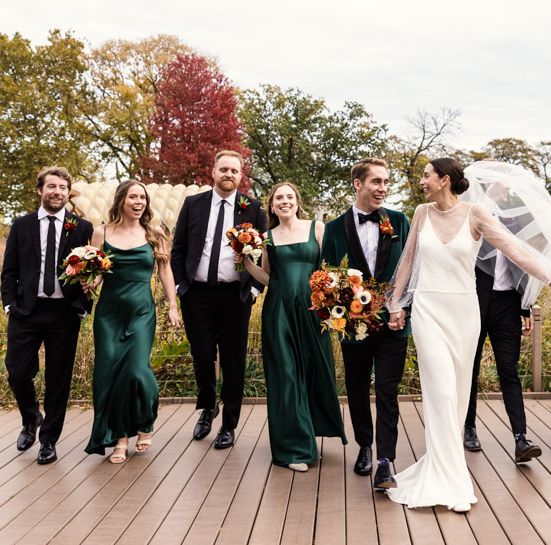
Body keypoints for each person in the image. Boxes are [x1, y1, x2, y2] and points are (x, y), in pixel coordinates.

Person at [385, 158, 551, 513]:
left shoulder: (476, 214)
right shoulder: (420, 213)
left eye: (426, 176)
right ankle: (451, 480)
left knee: (458, 397)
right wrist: (396, 304)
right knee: (441, 391)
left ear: (445, 180)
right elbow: (408, 259)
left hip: (464, 312)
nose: (422, 181)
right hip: (428, 309)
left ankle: (440, 465)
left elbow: (515, 249)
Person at [241, 182, 347, 471]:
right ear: (272, 206)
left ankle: (307, 431)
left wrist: (330, 303)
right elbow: (268, 277)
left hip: (312, 312)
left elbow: (330, 271)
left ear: (297, 202)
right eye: (279, 199)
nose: (284, 202)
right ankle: (294, 450)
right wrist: (247, 263)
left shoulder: (318, 229)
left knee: (314, 370)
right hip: (279, 313)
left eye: (289, 197)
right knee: (286, 375)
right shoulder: (268, 237)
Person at [320, 158, 411, 488]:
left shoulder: (400, 221)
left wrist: (402, 307)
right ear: (357, 184)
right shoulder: (332, 228)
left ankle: (385, 462)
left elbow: (412, 269)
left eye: (386, 182)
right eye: (375, 181)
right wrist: (344, 309)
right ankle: (365, 446)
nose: (382, 188)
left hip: (394, 323)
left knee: (387, 390)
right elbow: (326, 275)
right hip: (353, 325)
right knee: (357, 388)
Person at [171, 151, 268, 449]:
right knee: (202, 356)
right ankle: (207, 406)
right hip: (196, 294)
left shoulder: (252, 208)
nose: (228, 174)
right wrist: (180, 285)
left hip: (234, 296)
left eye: (234, 171)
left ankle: (229, 423)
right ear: (213, 172)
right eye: (223, 169)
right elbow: (179, 247)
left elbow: (264, 253)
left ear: (241, 176)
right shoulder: (193, 204)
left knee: (233, 360)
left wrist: (253, 290)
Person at [1, 167, 94, 464]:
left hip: (64, 312)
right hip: (25, 311)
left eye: (63, 187)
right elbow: (9, 270)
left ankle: (48, 440)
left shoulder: (82, 227)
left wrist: (82, 303)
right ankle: (31, 418)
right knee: (17, 371)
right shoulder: (21, 225)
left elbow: (94, 269)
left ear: (68, 193)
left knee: (58, 379)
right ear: (39, 190)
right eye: (51, 186)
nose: (57, 192)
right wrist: (9, 304)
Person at [83, 180, 181, 462]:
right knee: (110, 376)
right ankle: (120, 439)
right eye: (132, 197)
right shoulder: (101, 232)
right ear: (121, 200)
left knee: (137, 371)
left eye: (142, 197)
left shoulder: (155, 233)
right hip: (109, 315)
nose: (139, 202)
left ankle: (145, 422)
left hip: (141, 312)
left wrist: (173, 305)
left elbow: (165, 271)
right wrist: (90, 280)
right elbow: (99, 270)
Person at [462, 192, 543, 463]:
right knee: (469, 368)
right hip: (473, 303)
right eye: (500, 186)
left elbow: (523, 264)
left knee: (509, 371)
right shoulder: (468, 217)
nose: (505, 191)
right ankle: (469, 427)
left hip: (508, 305)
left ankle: (521, 438)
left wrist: (526, 306)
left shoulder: (515, 222)